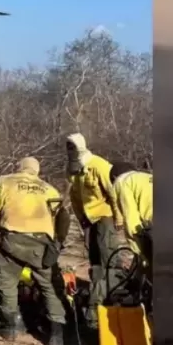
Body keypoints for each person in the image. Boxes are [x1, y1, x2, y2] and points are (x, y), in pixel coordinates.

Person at [0, 156, 66, 345]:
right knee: (48, 285)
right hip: (41, 242)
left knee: (9, 283)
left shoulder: (5, 181)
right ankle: (56, 335)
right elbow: (62, 215)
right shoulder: (49, 189)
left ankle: (10, 328)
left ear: (19, 168)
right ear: (37, 171)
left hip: (12, 238)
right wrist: (57, 242)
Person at [66, 133, 121, 330]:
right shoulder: (73, 169)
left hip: (105, 216)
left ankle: (112, 296)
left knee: (110, 259)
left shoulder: (98, 165)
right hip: (88, 219)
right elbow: (75, 196)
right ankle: (97, 291)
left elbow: (113, 192)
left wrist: (118, 217)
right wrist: (81, 218)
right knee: (95, 259)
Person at [110, 162, 153, 267]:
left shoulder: (121, 182)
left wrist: (140, 254)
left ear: (114, 177)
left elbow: (131, 222)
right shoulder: (147, 176)